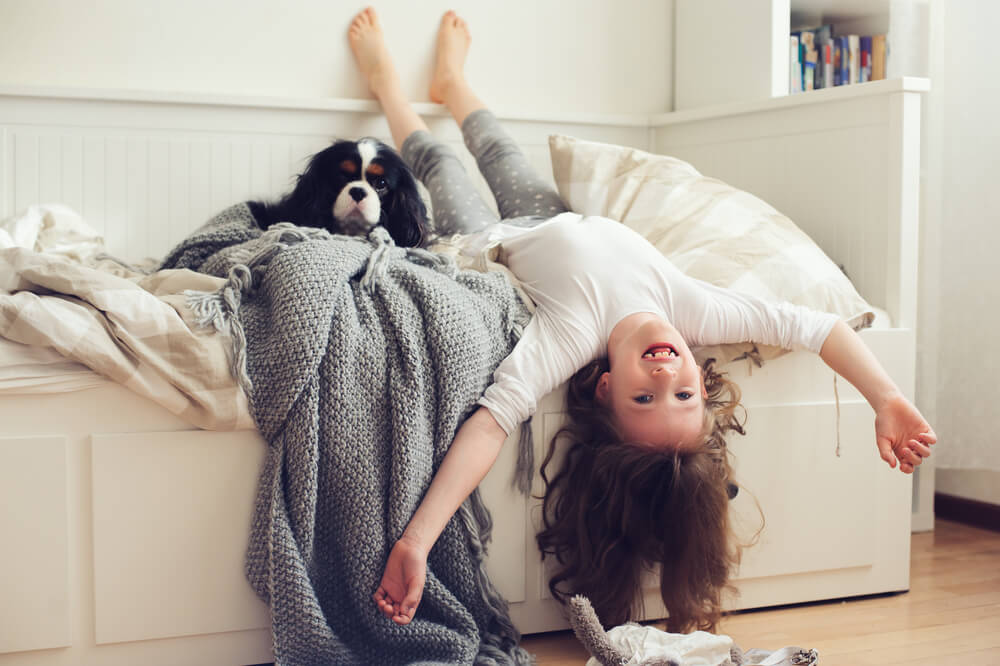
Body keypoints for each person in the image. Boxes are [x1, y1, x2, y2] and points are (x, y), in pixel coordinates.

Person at [348, 7, 937, 632]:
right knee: (499, 149)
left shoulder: (572, 335)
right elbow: (817, 327)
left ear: (605, 388)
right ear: (702, 382)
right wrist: (887, 398)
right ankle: (453, 85)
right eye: (683, 394)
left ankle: (389, 89)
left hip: (492, 236)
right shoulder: (695, 310)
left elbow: (491, 425)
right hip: (556, 213)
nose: (664, 375)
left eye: (643, 397)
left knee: (441, 167)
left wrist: (416, 541)